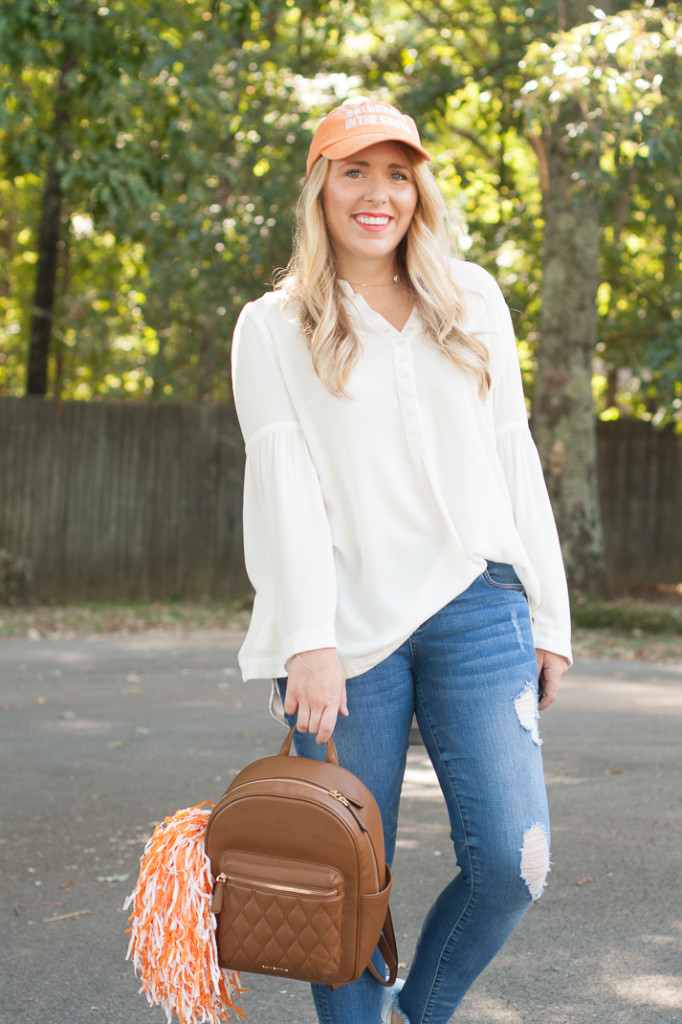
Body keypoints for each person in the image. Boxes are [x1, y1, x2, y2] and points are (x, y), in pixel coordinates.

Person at [230, 98, 571, 1024]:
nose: (377, 193)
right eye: (354, 171)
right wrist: (306, 638)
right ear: (320, 188)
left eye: (397, 173)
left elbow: (513, 455)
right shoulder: (273, 326)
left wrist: (551, 617)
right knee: (339, 877)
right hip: (341, 631)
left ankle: (418, 1013)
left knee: (514, 860)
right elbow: (284, 489)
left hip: (478, 601)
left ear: (419, 188)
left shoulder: (474, 300)